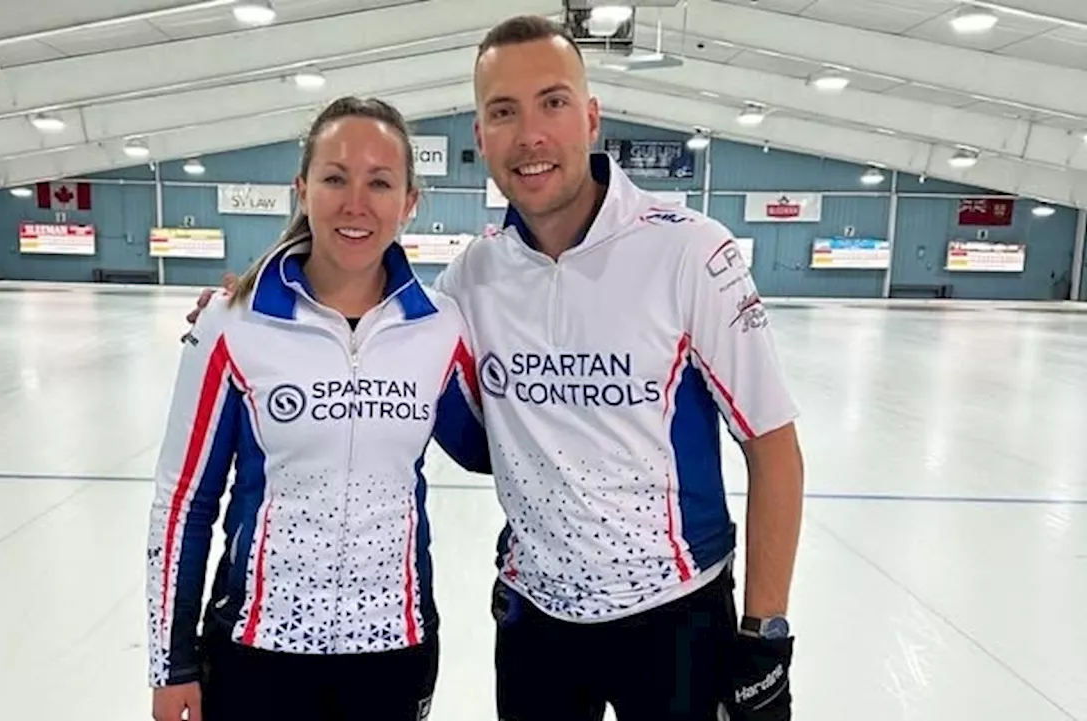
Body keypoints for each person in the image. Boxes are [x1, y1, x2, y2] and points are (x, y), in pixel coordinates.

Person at [188, 15, 805, 721]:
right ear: (479, 136)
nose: (530, 134)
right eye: (503, 112)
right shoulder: (469, 281)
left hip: (675, 618)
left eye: (553, 102)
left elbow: (774, 447)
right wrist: (250, 302)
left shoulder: (690, 252)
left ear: (592, 116)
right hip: (536, 624)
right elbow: (372, 315)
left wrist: (766, 632)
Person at [147, 95, 491, 721]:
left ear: (409, 202)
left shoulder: (439, 330)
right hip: (257, 653)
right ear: (302, 189)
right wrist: (172, 664)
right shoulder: (234, 324)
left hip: (395, 650)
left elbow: (494, 450)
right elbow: (184, 501)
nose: (356, 202)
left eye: (380, 182)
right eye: (335, 177)